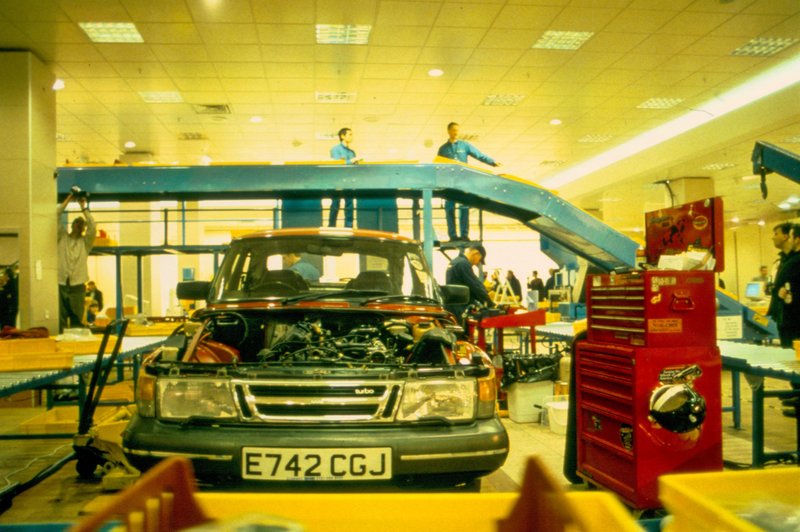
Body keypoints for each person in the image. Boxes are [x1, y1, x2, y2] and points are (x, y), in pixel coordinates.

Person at [437, 122, 500, 242]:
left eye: (457, 130)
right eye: (454, 130)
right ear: (448, 131)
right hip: (449, 184)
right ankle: (453, 236)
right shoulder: (443, 149)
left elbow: (479, 155)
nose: (456, 132)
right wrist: (440, 184)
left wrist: (492, 162)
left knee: (464, 208)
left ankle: (464, 235)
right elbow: (438, 167)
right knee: (449, 208)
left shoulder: (464, 145)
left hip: (463, 182)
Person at [57, 192, 96, 332]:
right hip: (61, 284)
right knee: (60, 319)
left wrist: (83, 207)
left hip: (78, 286)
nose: (79, 226)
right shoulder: (62, 237)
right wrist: (68, 199)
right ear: (72, 225)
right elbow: (56, 214)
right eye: (77, 223)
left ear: (84, 229)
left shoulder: (85, 243)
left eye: (82, 225)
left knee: (77, 321)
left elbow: (93, 226)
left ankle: (75, 341)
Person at [444, 245, 493, 320]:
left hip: (452, 306)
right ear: (476, 253)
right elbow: (475, 287)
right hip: (460, 307)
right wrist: (490, 303)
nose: (477, 263)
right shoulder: (463, 264)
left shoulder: (454, 261)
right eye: (479, 260)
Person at [767, 222, 796, 347]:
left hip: (794, 318)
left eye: (776, 234)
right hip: (783, 318)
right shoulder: (782, 260)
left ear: (786, 236)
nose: (773, 237)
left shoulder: (795, 260)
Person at [329, 127, 361, 228]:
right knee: (335, 204)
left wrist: (357, 163)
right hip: (337, 181)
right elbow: (337, 165)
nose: (352, 137)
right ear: (342, 136)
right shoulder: (335, 149)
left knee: (349, 205)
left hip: (349, 181)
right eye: (349, 134)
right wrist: (351, 161)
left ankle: (349, 227)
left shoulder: (352, 152)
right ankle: (331, 226)